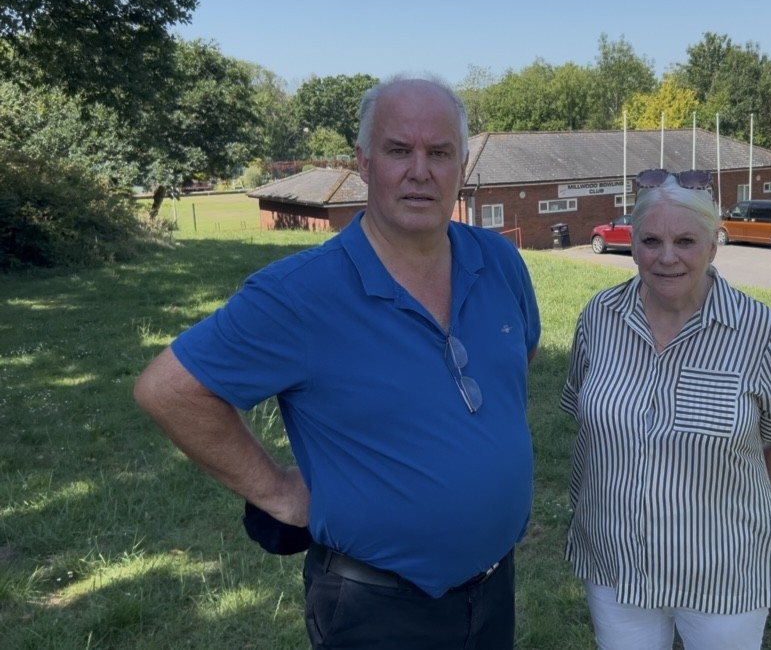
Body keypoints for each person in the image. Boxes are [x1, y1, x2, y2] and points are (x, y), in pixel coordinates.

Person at [134, 73, 541, 649]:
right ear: (365, 162)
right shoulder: (301, 293)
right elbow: (168, 389)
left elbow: (517, 360)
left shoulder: (499, 260)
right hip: (378, 607)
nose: (420, 170)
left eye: (440, 152)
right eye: (399, 150)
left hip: (493, 586)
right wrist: (276, 491)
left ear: (462, 166)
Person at [559, 169, 771, 650]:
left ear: (713, 245)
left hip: (721, 568)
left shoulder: (760, 332)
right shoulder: (599, 317)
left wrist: (724, 494)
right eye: (650, 240)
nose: (666, 257)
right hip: (617, 559)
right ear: (632, 243)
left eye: (685, 241)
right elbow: (582, 410)